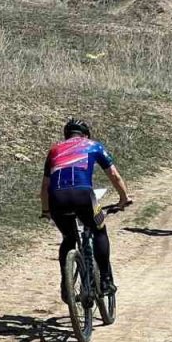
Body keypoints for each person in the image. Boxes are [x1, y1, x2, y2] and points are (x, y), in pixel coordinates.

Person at [41, 118, 131, 296]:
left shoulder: (54, 150)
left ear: (66, 136)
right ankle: (105, 280)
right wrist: (123, 198)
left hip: (57, 198)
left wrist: (45, 211)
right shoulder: (93, 145)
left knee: (68, 238)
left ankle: (66, 284)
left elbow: (45, 187)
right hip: (83, 195)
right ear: (86, 134)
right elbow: (113, 174)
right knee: (99, 231)